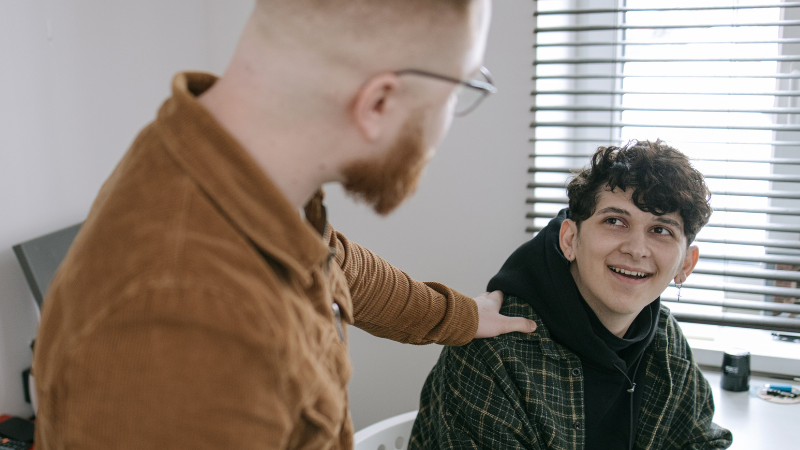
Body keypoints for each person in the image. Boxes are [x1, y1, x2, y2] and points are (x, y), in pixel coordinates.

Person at [31, 1, 538, 449]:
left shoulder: (230, 166)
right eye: (460, 89)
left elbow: (337, 265)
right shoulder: (186, 321)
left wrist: (462, 315)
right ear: (378, 103)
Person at [409, 140, 734, 450]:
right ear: (570, 239)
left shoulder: (666, 341)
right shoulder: (496, 354)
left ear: (685, 265)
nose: (636, 249)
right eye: (615, 221)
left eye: (661, 230)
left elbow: (701, 440)